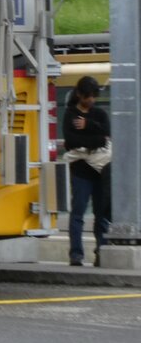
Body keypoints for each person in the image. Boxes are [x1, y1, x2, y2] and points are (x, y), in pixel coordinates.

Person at [62, 75, 111, 267]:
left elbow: (105, 138)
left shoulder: (99, 114)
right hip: (80, 173)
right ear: (79, 94)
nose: (91, 100)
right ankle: (76, 254)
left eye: (93, 96)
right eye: (87, 96)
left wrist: (87, 127)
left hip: (100, 173)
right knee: (78, 214)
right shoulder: (70, 114)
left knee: (101, 214)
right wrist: (93, 140)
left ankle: (101, 251)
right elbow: (70, 142)